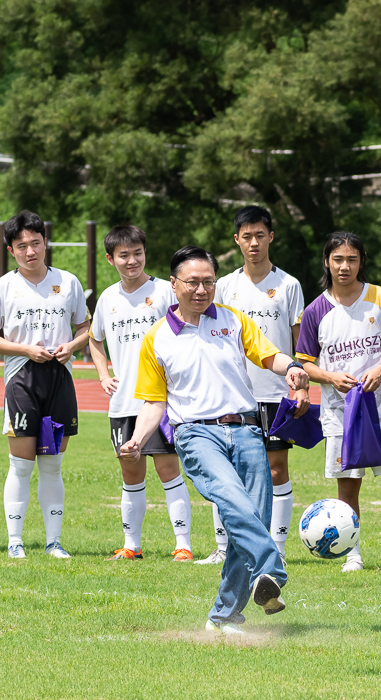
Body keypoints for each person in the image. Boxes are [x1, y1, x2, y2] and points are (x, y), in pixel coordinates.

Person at [117, 246, 310, 633]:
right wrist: (138, 438)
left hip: (247, 429)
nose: (202, 290)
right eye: (193, 282)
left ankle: (223, 616)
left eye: (208, 282)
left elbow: (268, 354)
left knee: (249, 520)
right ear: (174, 285)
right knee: (234, 502)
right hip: (196, 433)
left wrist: (292, 367)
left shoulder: (233, 320)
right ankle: (272, 570)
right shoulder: (157, 339)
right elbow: (154, 402)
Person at [295, 231, 381, 575]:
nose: (345, 266)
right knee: (347, 485)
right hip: (341, 417)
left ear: (361, 262)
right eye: (338, 259)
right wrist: (329, 377)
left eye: (352, 259)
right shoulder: (315, 310)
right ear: (327, 262)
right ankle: (353, 555)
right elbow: (305, 362)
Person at [0, 212, 90, 557]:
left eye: (36, 243)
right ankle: (15, 542)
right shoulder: (2, 287)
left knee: (53, 465)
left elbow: (86, 329)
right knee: (22, 465)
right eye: (22, 246)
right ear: (11, 250)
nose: (30, 251)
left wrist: (71, 346)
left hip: (60, 379)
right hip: (21, 380)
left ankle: (53, 542)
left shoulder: (68, 282)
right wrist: (25, 349)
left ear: (46, 242)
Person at [88, 224, 198, 561]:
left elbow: (190, 332)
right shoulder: (107, 298)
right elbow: (94, 339)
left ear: (145, 253)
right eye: (124, 255)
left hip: (161, 401)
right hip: (123, 403)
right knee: (130, 472)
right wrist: (104, 374)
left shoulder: (166, 291)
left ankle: (183, 545)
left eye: (138, 253)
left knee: (168, 470)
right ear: (110, 259)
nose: (132, 260)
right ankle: (131, 546)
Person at [213, 206, 307, 563]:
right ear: (237, 240)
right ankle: (223, 548)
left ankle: (277, 548)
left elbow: (299, 341)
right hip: (233, 394)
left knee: (276, 469)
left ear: (271, 237)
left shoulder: (288, 285)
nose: (253, 243)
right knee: (228, 471)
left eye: (260, 235)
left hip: (275, 391)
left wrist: (299, 385)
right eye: (246, 236)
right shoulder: (224, 286)